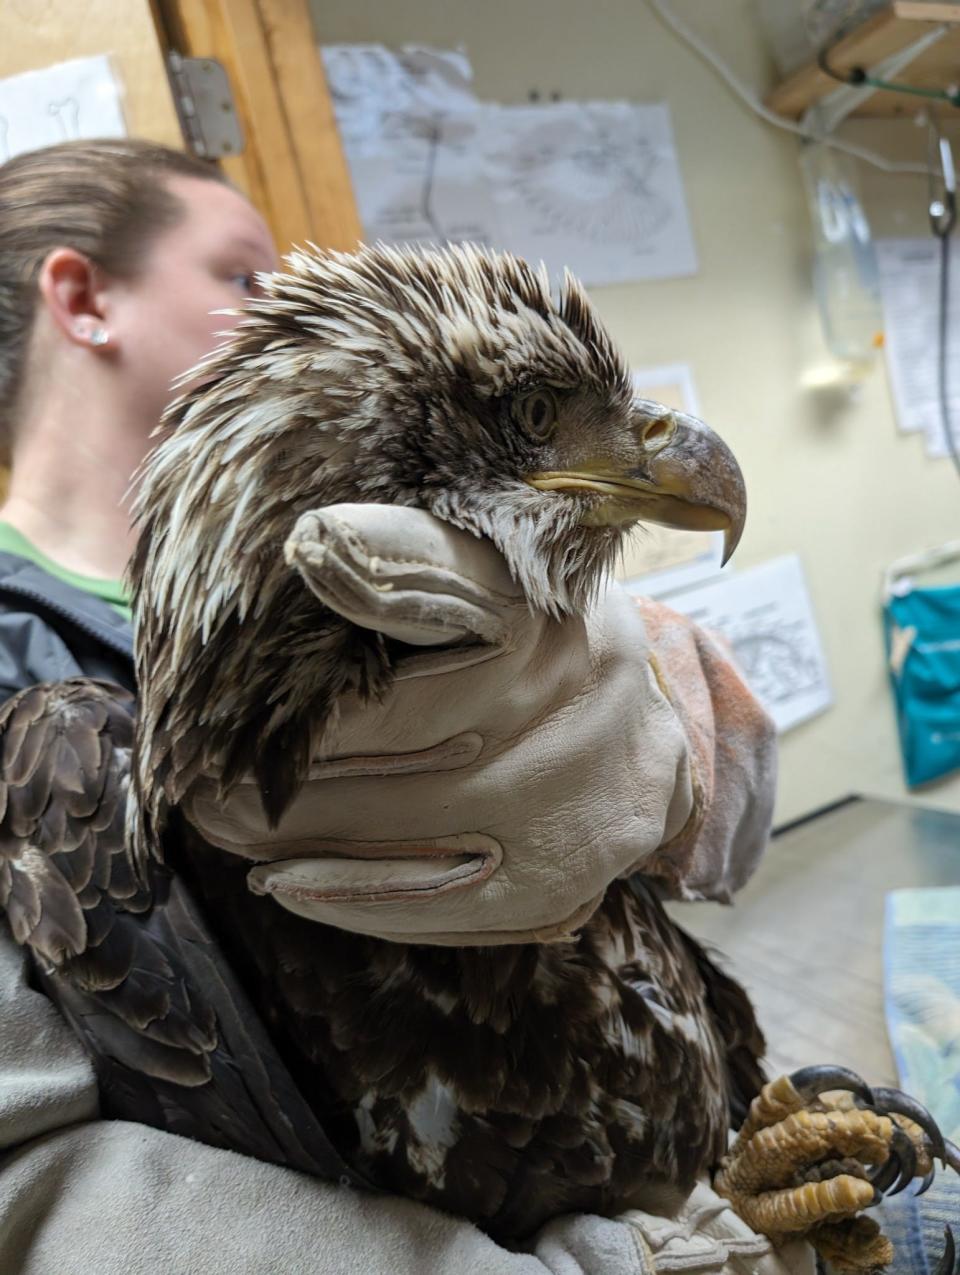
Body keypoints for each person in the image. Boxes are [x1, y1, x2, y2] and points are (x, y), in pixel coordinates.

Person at [0, 140, 806, 1275]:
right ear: (85, 300)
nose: (282, 302)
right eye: (241, 274)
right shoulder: (39, 716)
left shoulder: (493, 585)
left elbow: (737, 842)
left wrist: (670, 725)